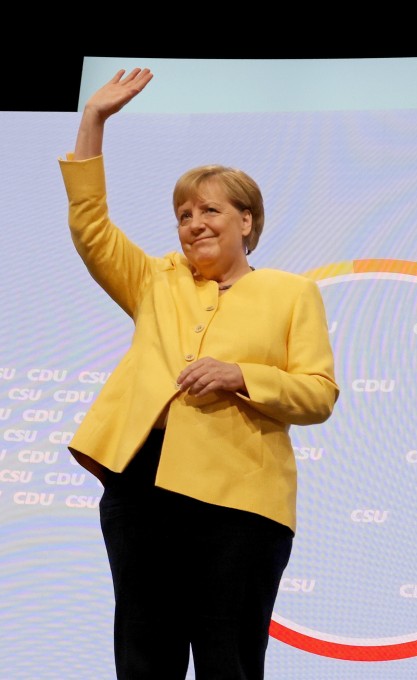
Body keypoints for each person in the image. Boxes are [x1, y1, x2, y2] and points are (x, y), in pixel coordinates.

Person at [59, 68, 339, 679]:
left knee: (227, 663)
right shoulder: (156, 281)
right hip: (141, 489)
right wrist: (93, 121)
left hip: (241, 500)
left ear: (247, 221)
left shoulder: (292, 294)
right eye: (183, 213)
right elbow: (90, 229)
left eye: (210, 209)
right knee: (143, 661)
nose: (194, 223)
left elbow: (318, 395)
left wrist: (241, 375)